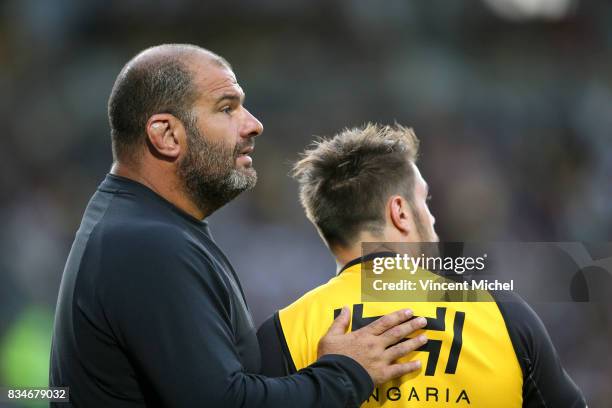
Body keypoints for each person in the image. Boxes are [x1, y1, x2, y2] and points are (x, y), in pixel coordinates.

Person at [48, 45, 429, 407]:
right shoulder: (146, 244)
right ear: (166, 135)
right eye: (227, 108)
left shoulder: (142, 225)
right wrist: (346, 373)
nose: (254, 125)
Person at [257, 124, 587, 407]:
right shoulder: (503, 315)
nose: (432, 216)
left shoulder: (283, 331)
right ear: (399, 212)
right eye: (424, 200)